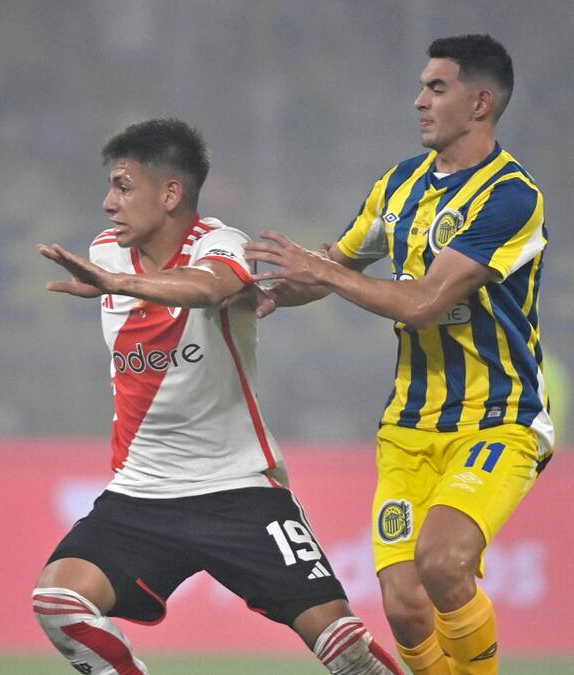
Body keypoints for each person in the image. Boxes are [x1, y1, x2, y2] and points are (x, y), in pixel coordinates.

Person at [33, 118, 402, 675]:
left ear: (171, 194)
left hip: (239, 490)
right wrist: (116, 279)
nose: (109, 203)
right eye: (110, 187)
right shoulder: (106, 253)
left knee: (343, 644)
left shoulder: (220, 243)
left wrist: (120, 287)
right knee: (59, 602)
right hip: (143, 493)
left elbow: (209, 287)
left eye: (124, 187)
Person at [242, 34, 552, 675]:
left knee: (443, 564)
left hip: (496, 420)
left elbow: (424, 302)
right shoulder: (398, 186)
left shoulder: (511, 198)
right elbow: (334, 263)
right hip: (408, 428)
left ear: (481, 103)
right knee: (405, 605)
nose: (419, 101)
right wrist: (254, 291)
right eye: (421, 86)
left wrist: (323, 274)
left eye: (437, 88)